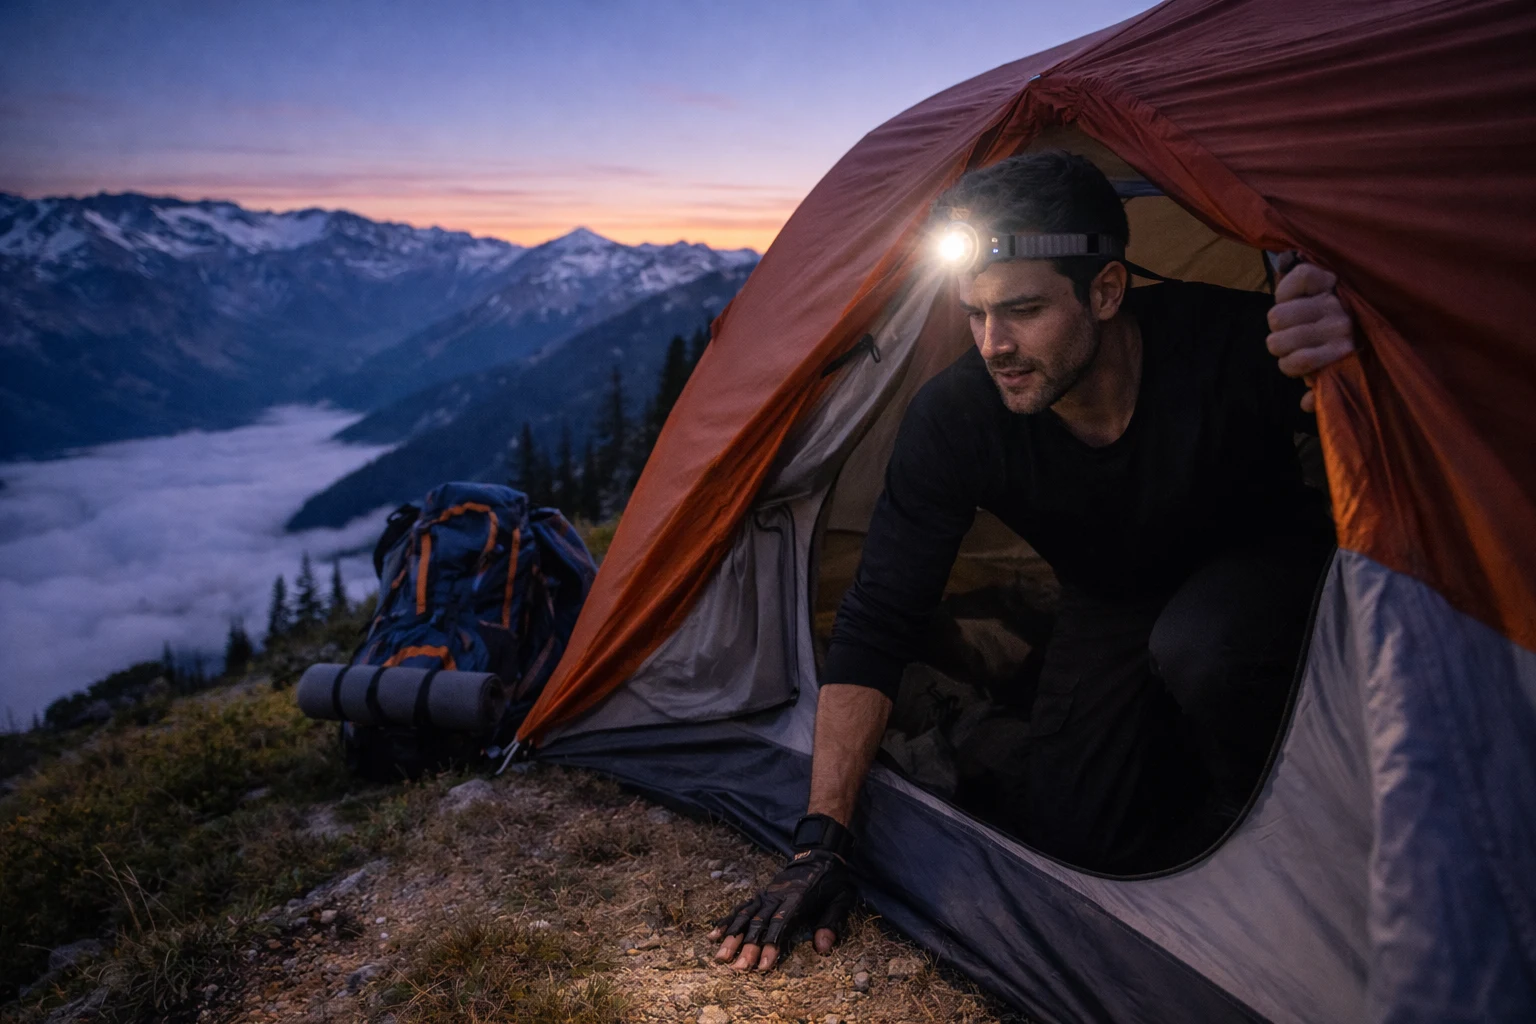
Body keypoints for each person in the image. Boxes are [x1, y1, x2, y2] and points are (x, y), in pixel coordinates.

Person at [709, 150, 1359, 974]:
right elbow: (878, 618)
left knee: (1203, 648)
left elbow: (1410, 428)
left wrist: (1358, 356)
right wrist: (820, 843)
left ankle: (1272, 838)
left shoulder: (1233, 342)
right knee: (1075, 832)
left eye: (1021, 310)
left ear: (1107, 291)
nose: (994, 345)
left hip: (1265, 569)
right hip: (1113, 597)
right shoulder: (958, 418)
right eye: (975, 313)